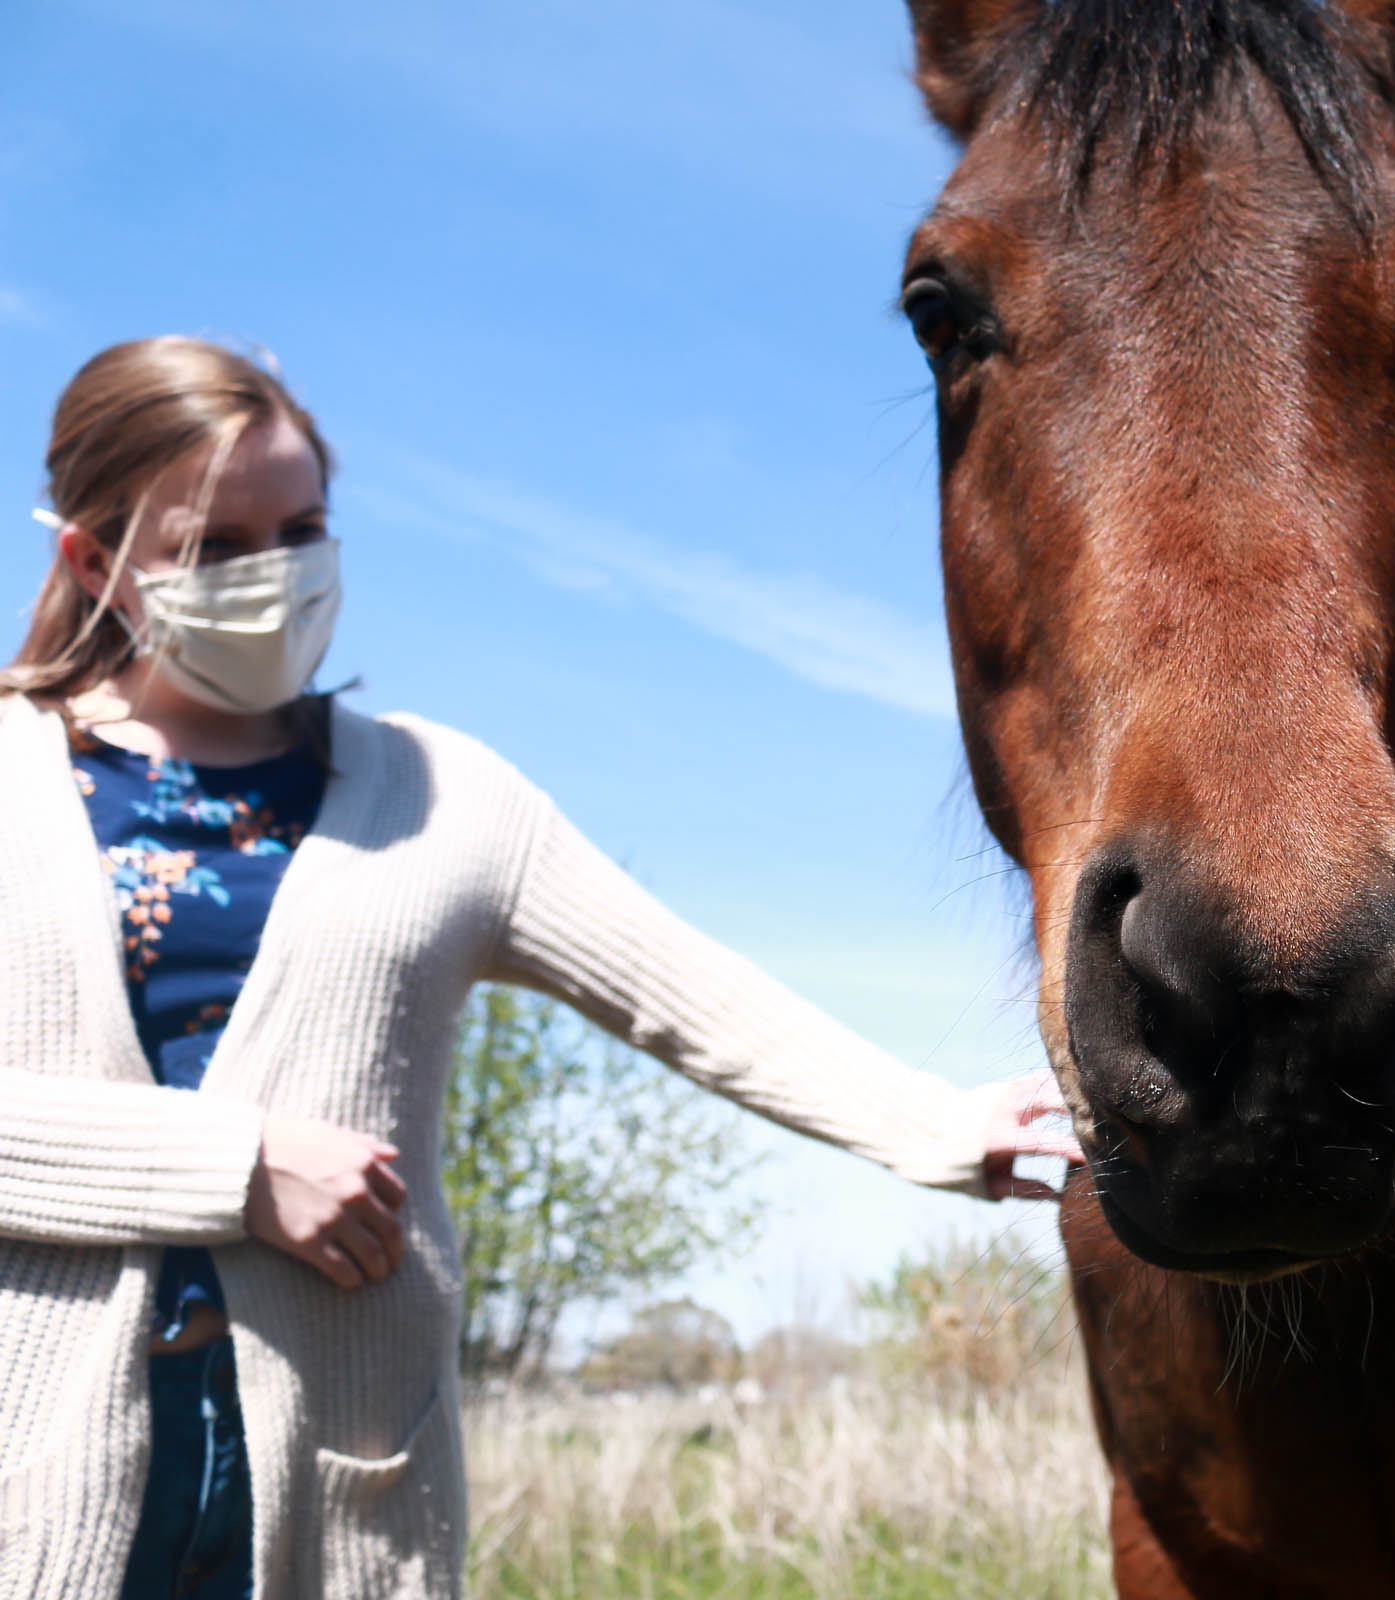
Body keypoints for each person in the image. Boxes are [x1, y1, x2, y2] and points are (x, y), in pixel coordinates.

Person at [0, 336, 1079, 1600]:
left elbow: (689, 996)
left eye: (300, 530)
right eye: (214, 550)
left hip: (345, 1493)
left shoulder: (444, 795)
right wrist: (237, 1172)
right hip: (41, 1470)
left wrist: (937, 1125)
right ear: (93, 560)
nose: (272, 578)